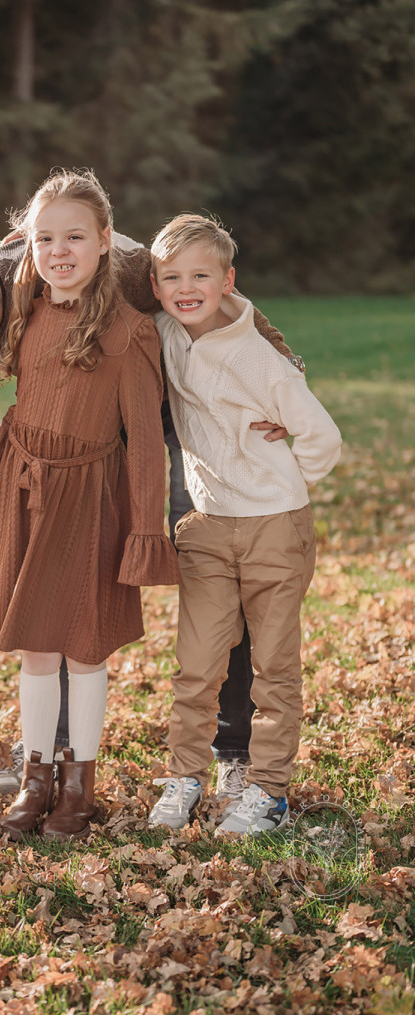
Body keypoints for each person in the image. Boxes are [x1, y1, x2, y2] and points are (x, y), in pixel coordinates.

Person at [0, 211, 300, 799]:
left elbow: (198, 279)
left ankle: (234, 748)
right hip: (82, 442)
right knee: (55, 574)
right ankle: (50, 751)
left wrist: (283, 371)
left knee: (216, 574)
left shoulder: (64, 263)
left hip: (176, 414)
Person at [0, 169, 180, 841]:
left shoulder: (130, 333)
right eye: (45, 238)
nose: (59, 251)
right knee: (37, 651)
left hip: (90, 502)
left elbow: (145, 446)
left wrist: (145, 533)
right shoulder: (30, 313)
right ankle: (35, 778)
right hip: (27, 497)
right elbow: (25, 413)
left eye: (74, 237)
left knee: (85, 649)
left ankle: (78, 785)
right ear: (27, 245)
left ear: (105, 241)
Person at [147, 215, 341, 835]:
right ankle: (184, 778)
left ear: (227, 281)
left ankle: (267, 792)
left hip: (273, 528)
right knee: (196, 664)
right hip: (206, 525)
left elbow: (323, 438)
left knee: (273, 668)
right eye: (172, 277)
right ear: (155, 285)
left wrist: (280, 476)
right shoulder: (165, 332)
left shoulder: (262, 360)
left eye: (200, 276)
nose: (186, 288)